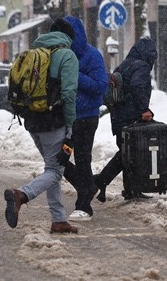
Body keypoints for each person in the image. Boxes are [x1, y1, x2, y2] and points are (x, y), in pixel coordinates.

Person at [4, 18, 79, 234]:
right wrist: (71, 125)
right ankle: (22, 195)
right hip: (54, 121)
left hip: (32, 120)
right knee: (55, 171)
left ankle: (58, 219)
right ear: (69, 38)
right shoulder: (67, 55)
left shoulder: (34, 53)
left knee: (51, 168)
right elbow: (68, 93)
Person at [95, 37, 157, 202]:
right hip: (130, 116)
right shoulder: (141, 66)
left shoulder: (124, 64)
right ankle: (103, 181)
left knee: (127, 154)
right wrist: (144, 109)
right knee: (130, 154)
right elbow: (137, 86)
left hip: (118, 115)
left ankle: (129, 189)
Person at [60, 16, 107, 221]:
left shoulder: (92, 55)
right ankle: (88, 187)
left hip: (87, 118)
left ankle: (84, 206)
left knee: (82, 159)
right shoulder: (60, 55)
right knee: (59, 159)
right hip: (66, 119)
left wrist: (74, 75)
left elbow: (100, 86)